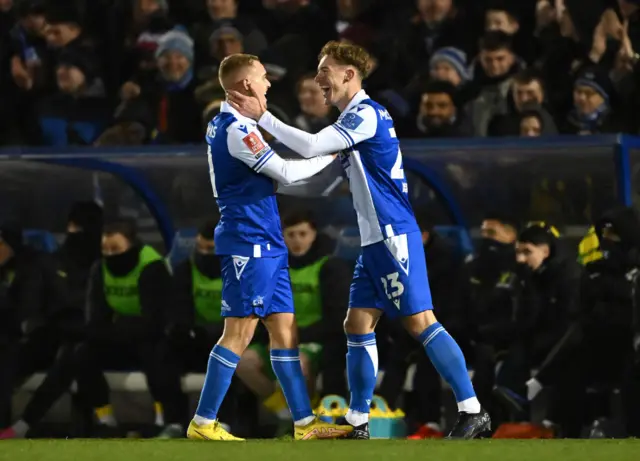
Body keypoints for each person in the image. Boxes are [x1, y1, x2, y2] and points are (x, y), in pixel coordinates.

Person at [227, 41, 490, 439]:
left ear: (349, 74)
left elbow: (314, 146)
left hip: (392, 234)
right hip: (373, 241)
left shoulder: (365, 115)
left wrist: (263, 116)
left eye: (325, 71)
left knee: (421, 322)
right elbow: (318, 174)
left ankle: (473, 410)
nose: (318, 80)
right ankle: (358, 421)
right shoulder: (353, 121)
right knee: (356, 323)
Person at [187, 53, 352, 442]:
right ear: (245, 84)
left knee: (285, 330)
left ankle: (303, 423)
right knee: (239, 334)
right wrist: (331, 155)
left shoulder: (234, 124)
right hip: (249, 242)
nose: (268, 83)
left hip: (268, 240)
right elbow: (285, 173)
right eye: (263, 77)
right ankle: (203, 421)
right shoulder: (233, 129)